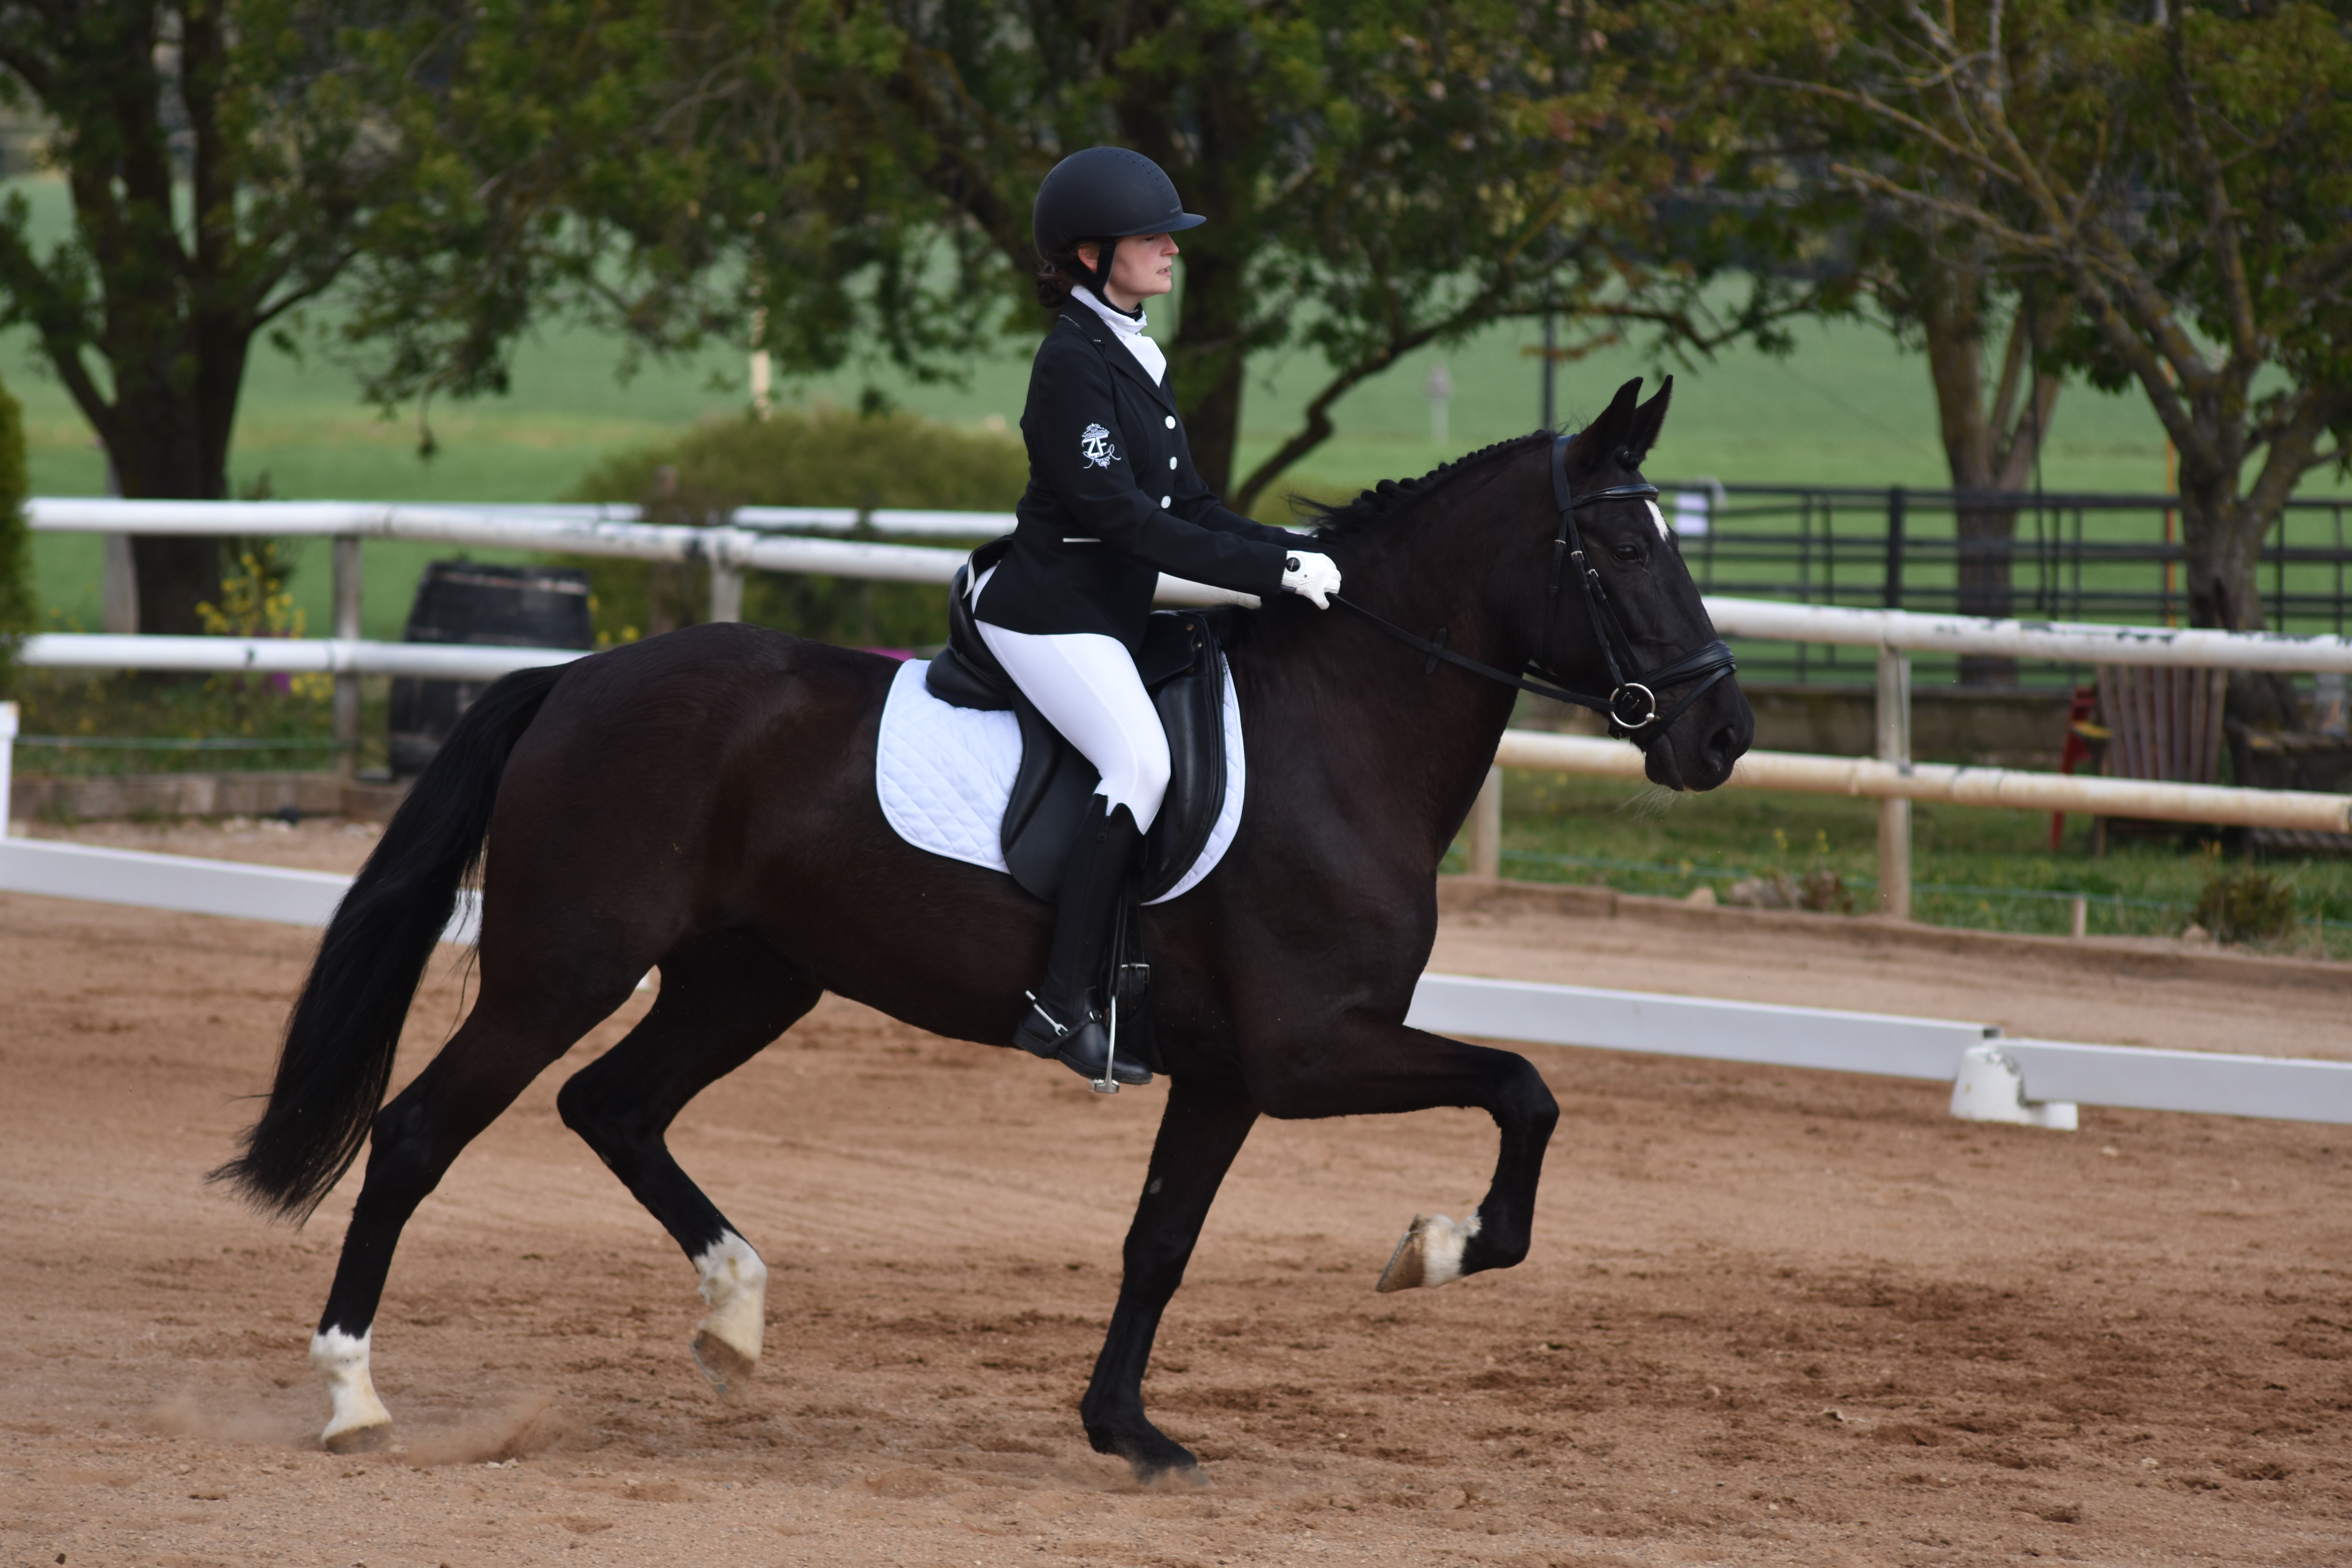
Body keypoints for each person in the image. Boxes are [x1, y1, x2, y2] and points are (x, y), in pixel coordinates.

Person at [971, 145, 1343, 1086]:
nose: (1171, 251)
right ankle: (1061, 1001)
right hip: (1048, 614)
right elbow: (1124, 519)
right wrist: (1265, 571)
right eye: (1152, 237)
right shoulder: (1071, 365)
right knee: (1140, 759)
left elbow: (1195, 507)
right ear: (1091, 255)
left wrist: (1290, 554)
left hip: (1105, 613)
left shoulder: (1134, 349)